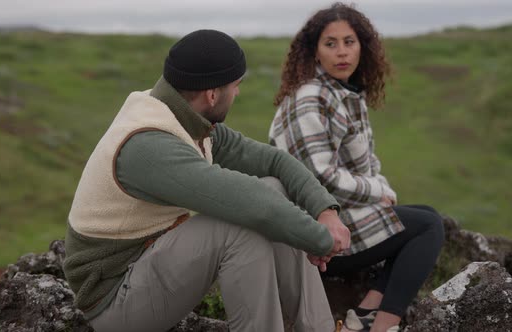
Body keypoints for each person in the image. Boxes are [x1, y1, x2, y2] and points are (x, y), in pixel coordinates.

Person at [63, 29, 352, 332]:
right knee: (238, 227)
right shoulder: (149, 145)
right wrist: (321, 240)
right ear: (212, 94)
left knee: (272, 188)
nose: (238, 93)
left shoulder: (186, 116)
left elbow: (274, 162)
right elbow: (251, 204)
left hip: (152, 261)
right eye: (236, 86)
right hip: (115, 300)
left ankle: (320, 328)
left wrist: (325, 212)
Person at [269, 3, 445, 332]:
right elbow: (319, 177)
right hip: (310, 234)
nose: (342, 52)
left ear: (363, 45)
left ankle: (363, 317)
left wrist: (379, 191)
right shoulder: (312, 97)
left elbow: (366, 163)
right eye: (330, 43)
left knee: (423, 215)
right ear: (314, 52)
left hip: (338, 215)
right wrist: (379, 191)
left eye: (349, 42)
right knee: (427, 227)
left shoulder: (345, 94)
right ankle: (381, 327)